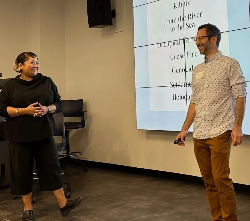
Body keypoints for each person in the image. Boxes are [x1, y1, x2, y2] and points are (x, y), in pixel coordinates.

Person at [176, 24, 246, 221]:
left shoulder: (230, 64)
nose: (197, 42)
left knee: (221, 178)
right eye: (196, 39)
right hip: (200, 133)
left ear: (213, 39)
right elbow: (194, 102)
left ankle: (230, 219)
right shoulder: (197, 69)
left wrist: (238, 125)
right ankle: (218, 218)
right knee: (209, 181)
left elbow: (240, 95)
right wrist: (184, 130)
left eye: (201, 38)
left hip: (220, 130)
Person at [0, 52, 82, 221]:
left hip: (43, 133)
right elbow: (1, 109)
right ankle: (27, 209)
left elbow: (58, 103)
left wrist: (47, 109)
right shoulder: (10, 86)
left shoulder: (47, 82)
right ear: (20, 65)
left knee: (52, 168)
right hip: (19, 136)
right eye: (32, 62)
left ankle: (63, 204)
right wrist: (24, 111)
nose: (36, 65)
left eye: (37, 62)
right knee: (22, 172)